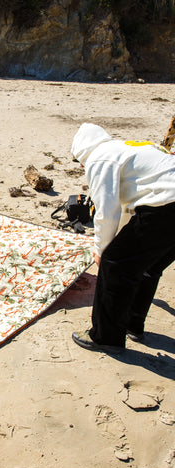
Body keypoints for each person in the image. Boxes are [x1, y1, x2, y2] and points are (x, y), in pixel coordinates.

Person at [70, 123, 175, 353]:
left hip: (166, 205)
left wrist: (101, 250)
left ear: (81, 152)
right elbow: (131, 207)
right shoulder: (125, 148)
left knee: (114, 265)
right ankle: (132, 324)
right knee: (149, 266)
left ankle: (105, 337)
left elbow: (107, 211)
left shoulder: (99, 158)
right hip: (168, 202)